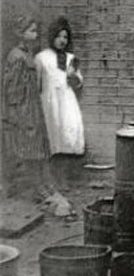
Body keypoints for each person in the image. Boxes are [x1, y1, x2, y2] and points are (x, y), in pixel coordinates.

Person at [2, 15, 52, 199]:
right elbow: (12, 89)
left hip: (32, 106)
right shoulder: (16, 57)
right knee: (29, 149)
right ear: (21, 34)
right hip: (24, 109)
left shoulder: (27, 54)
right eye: (32, 30)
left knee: (37, 148)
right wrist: (17, 114)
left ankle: (41, 186)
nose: (36, 34)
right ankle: (34, 189)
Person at [35, 17, 84, 187]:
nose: (62, 40)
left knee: (66, 136)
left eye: (65, 37)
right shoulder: (41, 58)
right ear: (52, 37)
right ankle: (49, 181)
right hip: (49, 103)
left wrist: (73, 77)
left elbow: (79, 83)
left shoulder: (71, 58)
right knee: (51, 139)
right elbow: (37, 84)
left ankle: (64, 180)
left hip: (67, 102)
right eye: (59, 36)